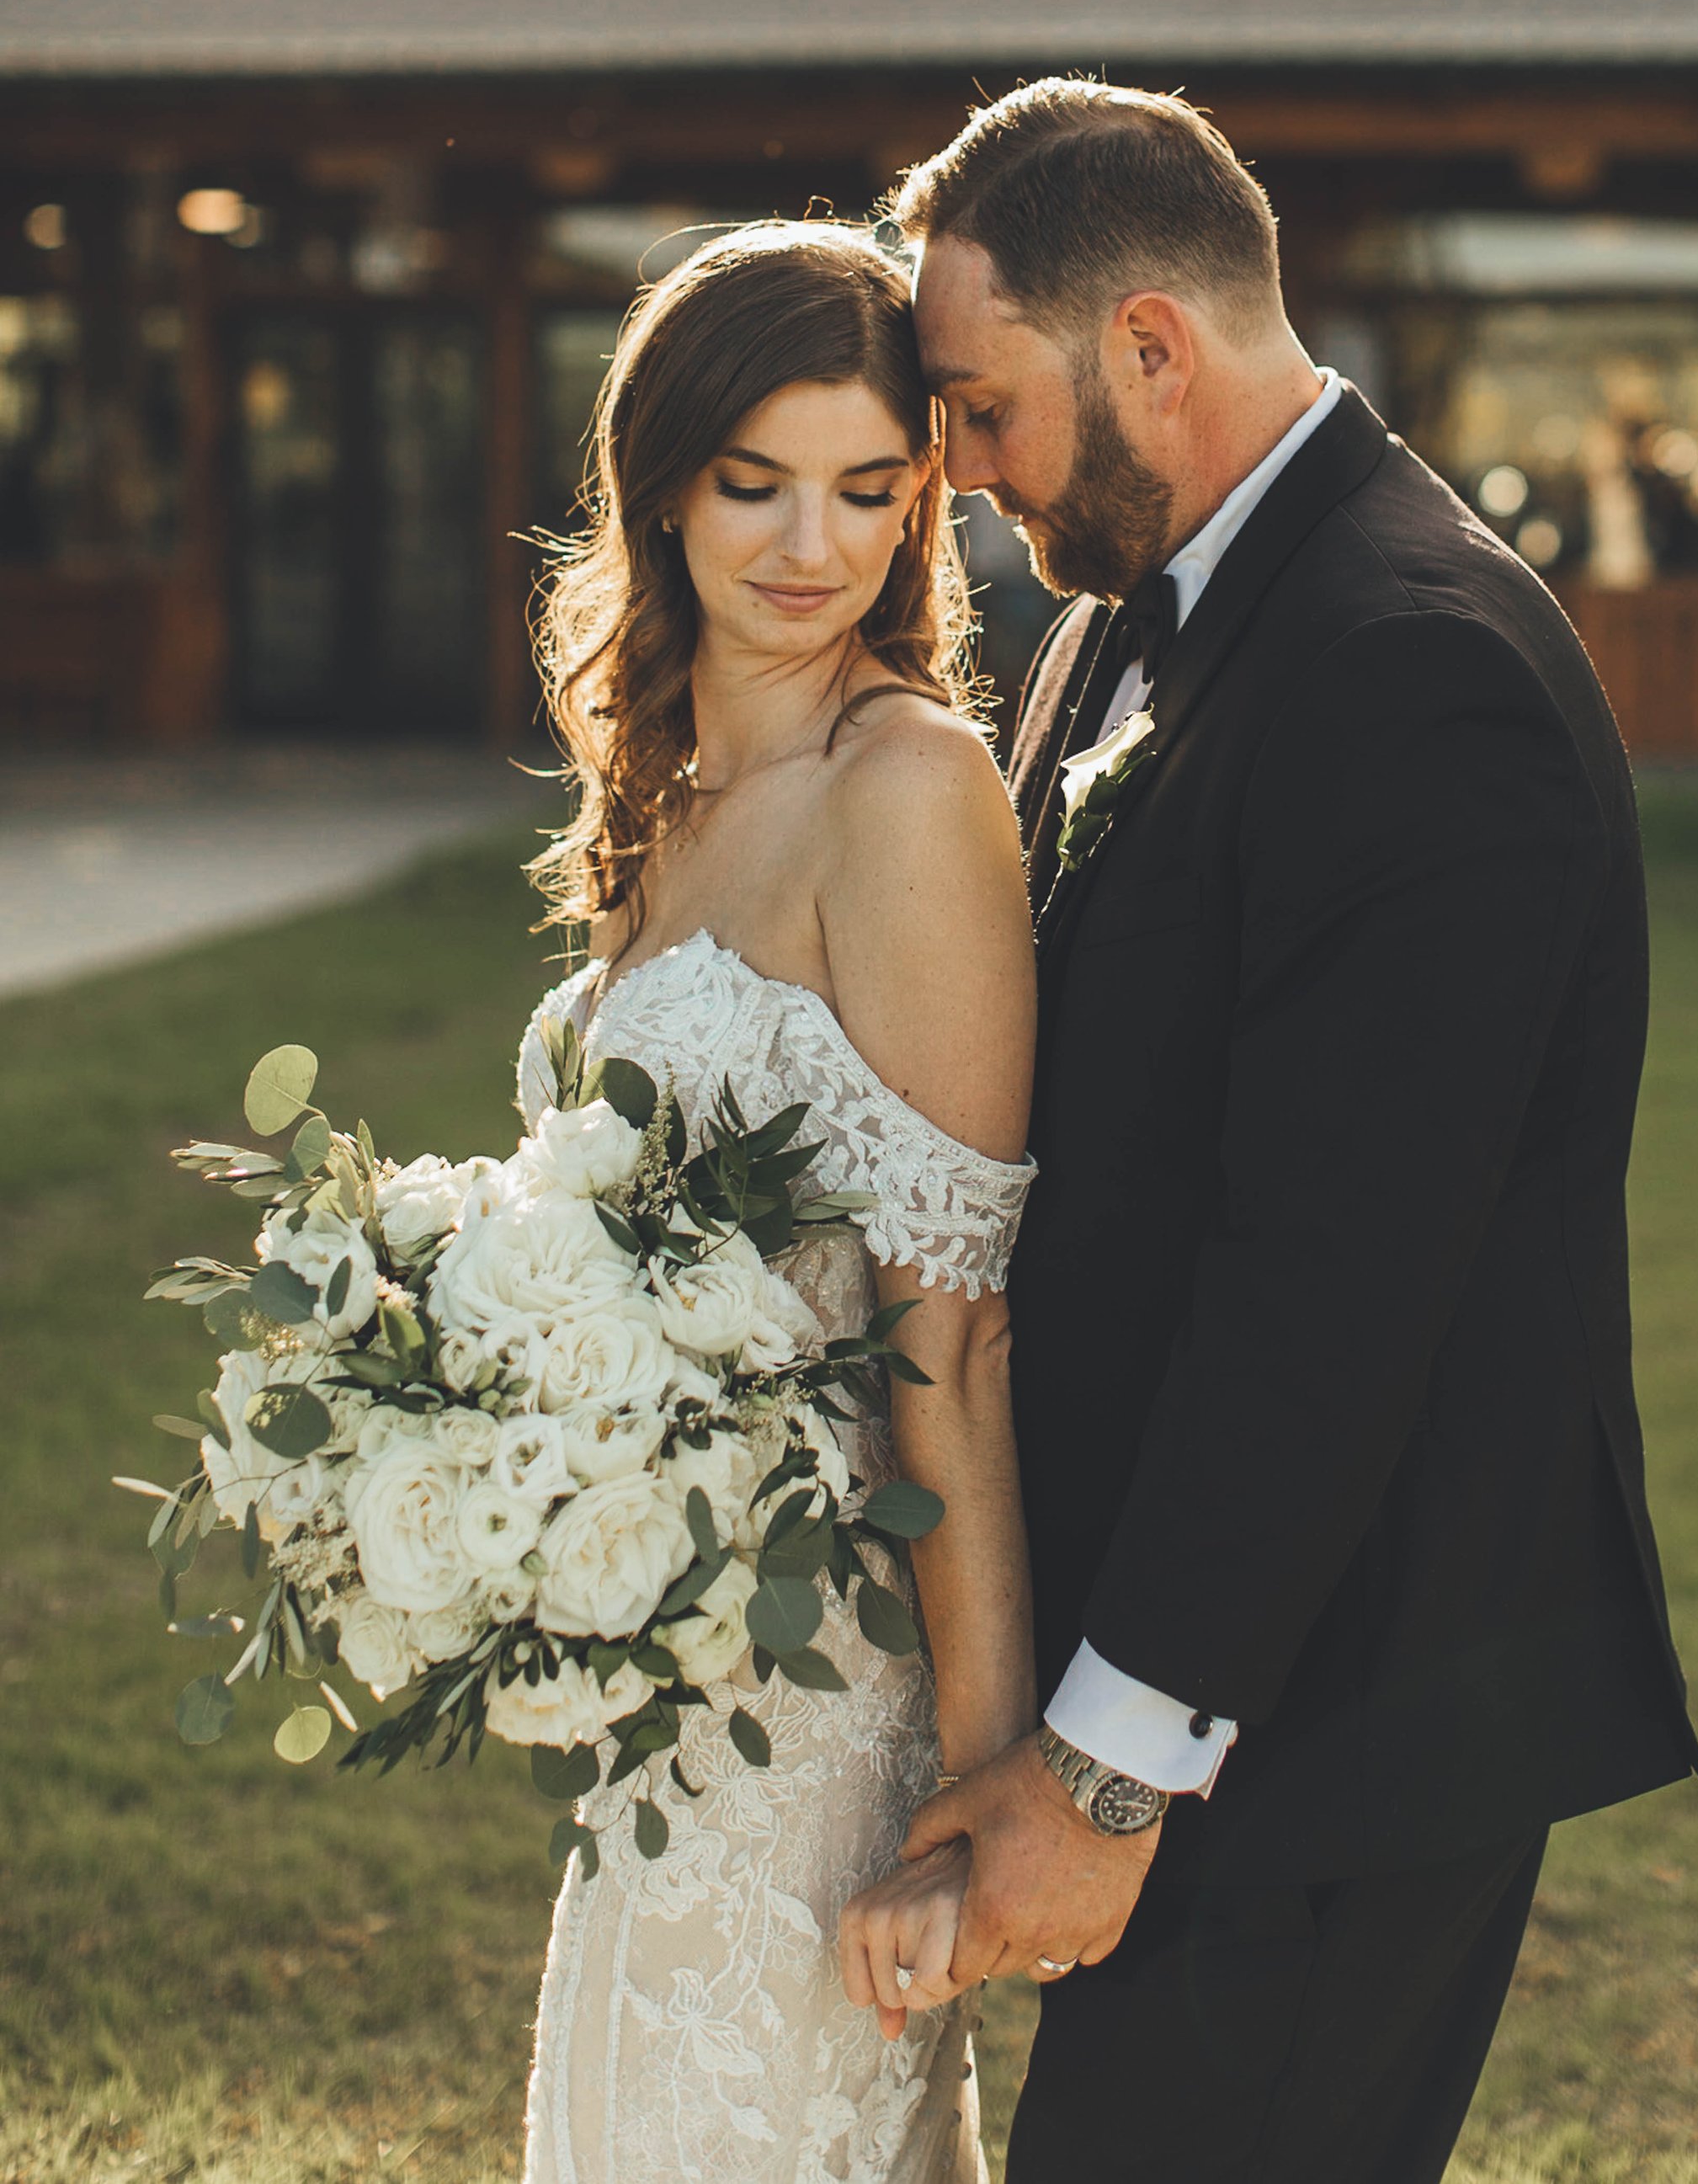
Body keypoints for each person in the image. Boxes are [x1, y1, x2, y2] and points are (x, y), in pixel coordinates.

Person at [854, 78, 1698, 2184]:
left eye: (976, 414)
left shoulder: (1413, 668)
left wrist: (1109, 1772)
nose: (955, 480)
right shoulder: (1117, 625)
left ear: (1149, 345)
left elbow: (1327, 1290)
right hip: (1203, 1666)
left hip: (1333, 1714)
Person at [519, 223, 1040, 2184]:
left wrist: (988, 1796)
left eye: (866, 489)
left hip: (827, 1707)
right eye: (755, 484)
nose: (809, 547)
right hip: (662, 1695)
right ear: (661, 481)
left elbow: (956, 1324)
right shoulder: (662, 787)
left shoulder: (901, 783)